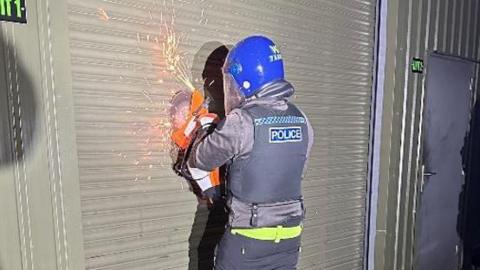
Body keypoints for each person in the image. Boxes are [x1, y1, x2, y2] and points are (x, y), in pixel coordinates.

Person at [187, 35, 314, 270]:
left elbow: (201, 159)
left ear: (245, 80)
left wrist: (200, 132)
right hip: (289, 240)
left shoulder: (242, 121)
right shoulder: (302, 120)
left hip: (248, 242)